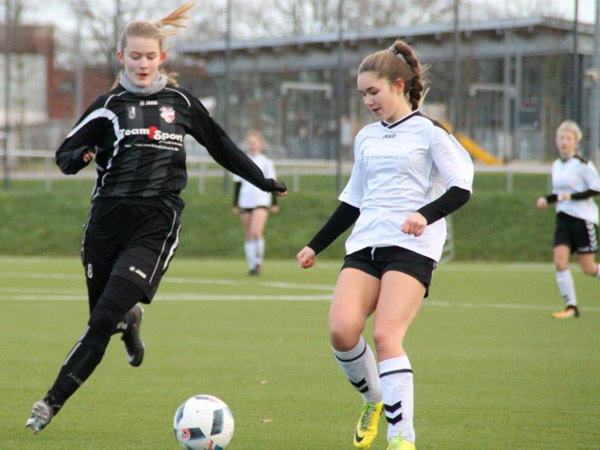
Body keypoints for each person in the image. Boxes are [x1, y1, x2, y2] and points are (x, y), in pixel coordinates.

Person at [25, 2, 286, 434]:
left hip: (155, 225)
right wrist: (82, 156)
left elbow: (221, 145)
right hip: (105, 226)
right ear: (121, 57)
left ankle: (49, 403)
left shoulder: (180, 103)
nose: (143, 64)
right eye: (135, 56)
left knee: (99, 321)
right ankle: (130, 321)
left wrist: (262, 180)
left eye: (150, 56)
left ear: (162, 57)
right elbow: (64, 155)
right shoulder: (108, 106)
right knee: (107, 317)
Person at [296, 39, 473, 450]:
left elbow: (461, 188)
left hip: (412, 247)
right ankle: (373, 399)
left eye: (373, 92)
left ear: (398, 85)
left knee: (386, 334)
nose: (368, 102)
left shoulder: (430, 132)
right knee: (341, 331)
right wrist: (315, 246)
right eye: (362, 95)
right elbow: (353, 200)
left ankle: (401, 438)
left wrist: (424, 215)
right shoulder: (366, 138)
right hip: (365, 245)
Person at [536, 120, 600, 319]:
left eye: (568, 138)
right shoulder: (556, 165)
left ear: (575, 142)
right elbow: (559, 193)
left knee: (588, 268)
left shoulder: (583, 164)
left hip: (583, 219)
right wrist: (546, 199)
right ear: (556, 141)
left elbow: (596, 188)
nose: (564, 142)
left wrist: (571, 196)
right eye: (561, 138)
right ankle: (571, 307)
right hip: (563, 218)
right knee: (559, 260)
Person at [232, 131, 279, 275]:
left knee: (256, 232)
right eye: (250, 143)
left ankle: (258, 263)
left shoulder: (266, 162)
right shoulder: (243, 161)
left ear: (260, 145)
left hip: (261, 201)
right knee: (248, 234)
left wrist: (275, 202)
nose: (253, 146)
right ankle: (252, 265)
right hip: (245, 201)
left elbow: (272, 182)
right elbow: (238, 183)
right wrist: (235, 204)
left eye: (255, 143)